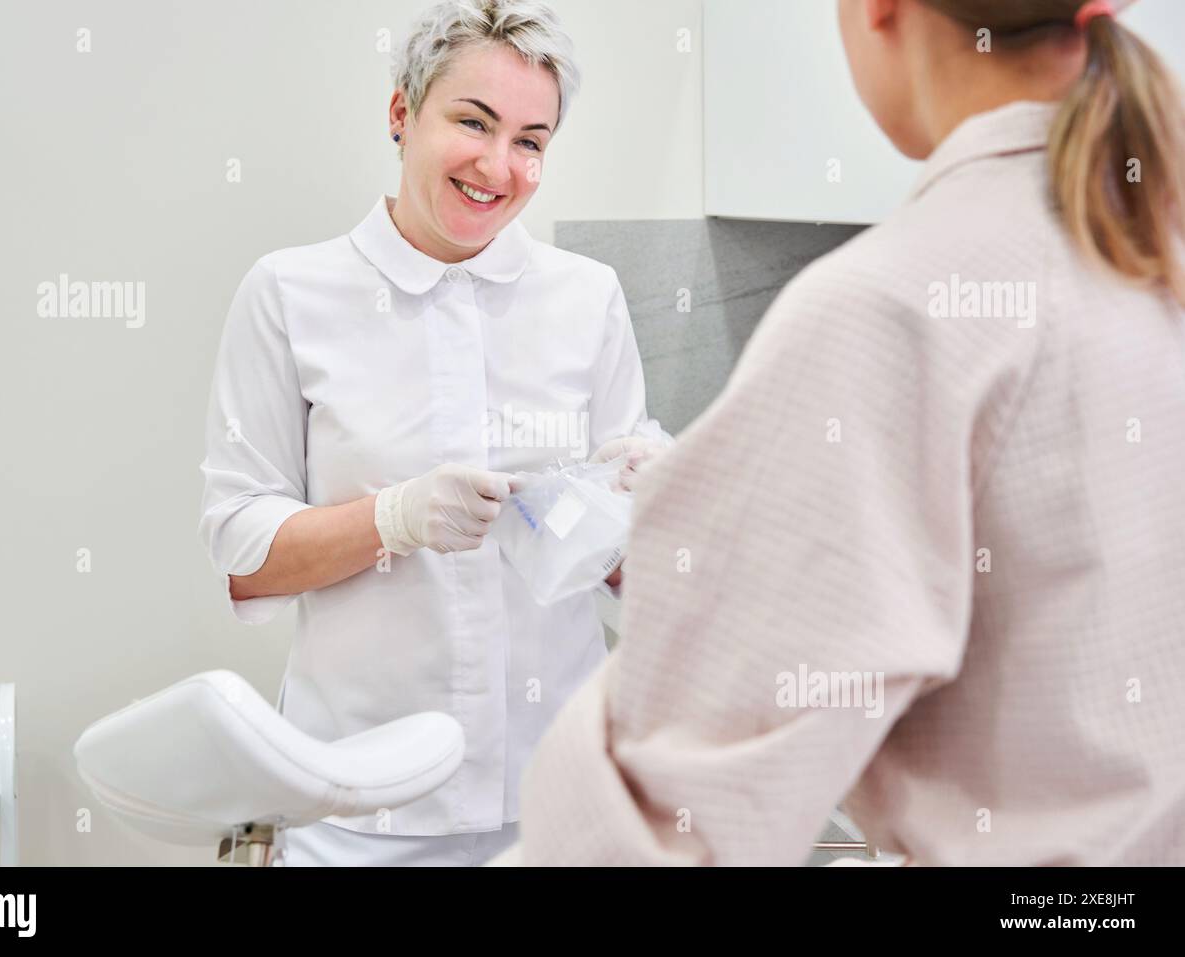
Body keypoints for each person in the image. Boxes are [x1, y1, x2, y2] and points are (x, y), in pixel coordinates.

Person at [506, 0, 1185, 865]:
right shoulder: (1149, 235)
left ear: (878, 9)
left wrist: (721, 532)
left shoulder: (889, 303)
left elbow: (657, 825)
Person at [197, 0, 667, 866]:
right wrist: (393, 520)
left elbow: (628, 583)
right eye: (473, 121)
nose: (499, 164)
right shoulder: (291, 296)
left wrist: (642, 511)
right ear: (402, 113)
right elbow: (243, 557)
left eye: (531, 140)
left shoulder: (586, 297)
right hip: (356, 813)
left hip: (554, 801)